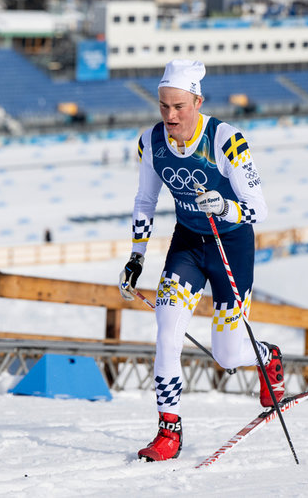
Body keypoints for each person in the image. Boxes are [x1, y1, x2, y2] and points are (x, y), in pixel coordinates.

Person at [118, 59, 283, 462]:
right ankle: (167, 432)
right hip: (189, 244)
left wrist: (225, 206)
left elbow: (260, 209)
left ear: (197, 101)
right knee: (167, 333)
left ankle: (267, 357)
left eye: (179, 107)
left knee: (227, 355)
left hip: (231, 245)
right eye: (163, 106)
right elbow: (145, 200)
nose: (171, 116)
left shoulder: (226, 140)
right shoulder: (151, 142)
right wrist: (136, 257)